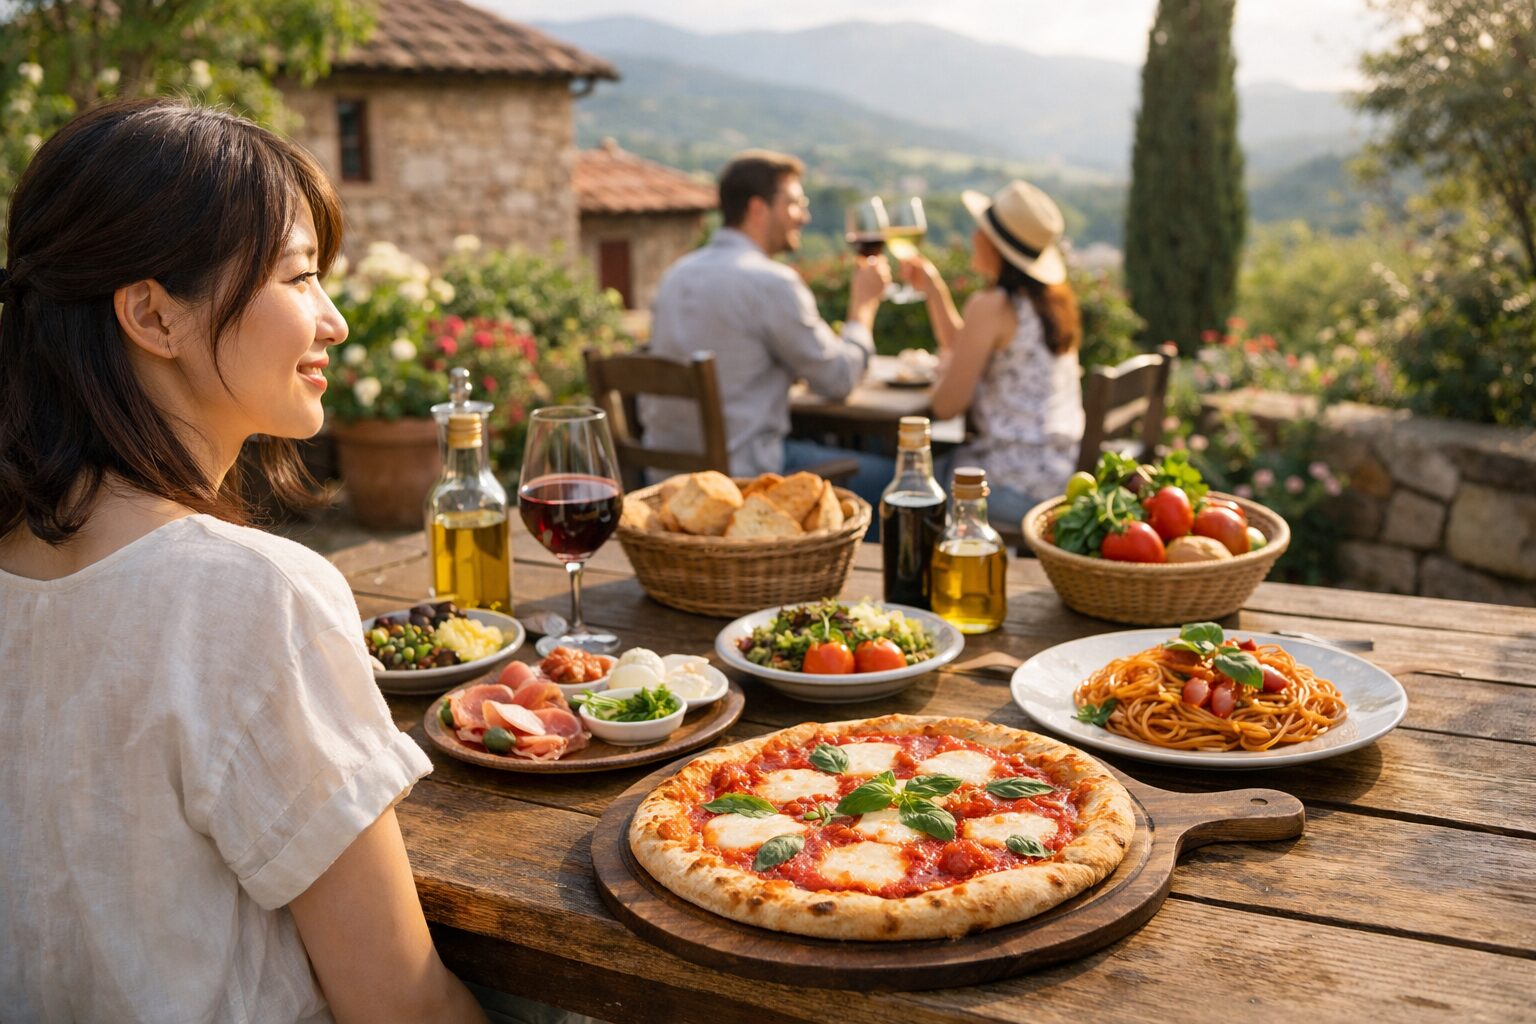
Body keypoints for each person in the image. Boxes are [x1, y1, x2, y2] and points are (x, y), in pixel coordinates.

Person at [0, 99, 489, 1023]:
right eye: (299, 278)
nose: (333, 322)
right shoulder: (248, 595)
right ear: (153, 314)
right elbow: (401, 1006)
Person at [638, 149, 893, 505]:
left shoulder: (675, 276)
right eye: (795, 203)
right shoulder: (771, 282)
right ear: (758, 209)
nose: (804, 216)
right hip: (744, 485)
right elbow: (838, 379)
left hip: (666, 486)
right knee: (897, 480)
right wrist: (863, 307)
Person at [898, 180, 1086, 532]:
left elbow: (945, 407)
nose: (973, 236)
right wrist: (934, 290)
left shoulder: (992, 306)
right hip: (1054, 477)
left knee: (894, 488)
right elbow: (967, 345)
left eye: (981, 230)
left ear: (996, 247)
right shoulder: (1049, 303)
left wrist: (944, 374)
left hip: (1006, 485)